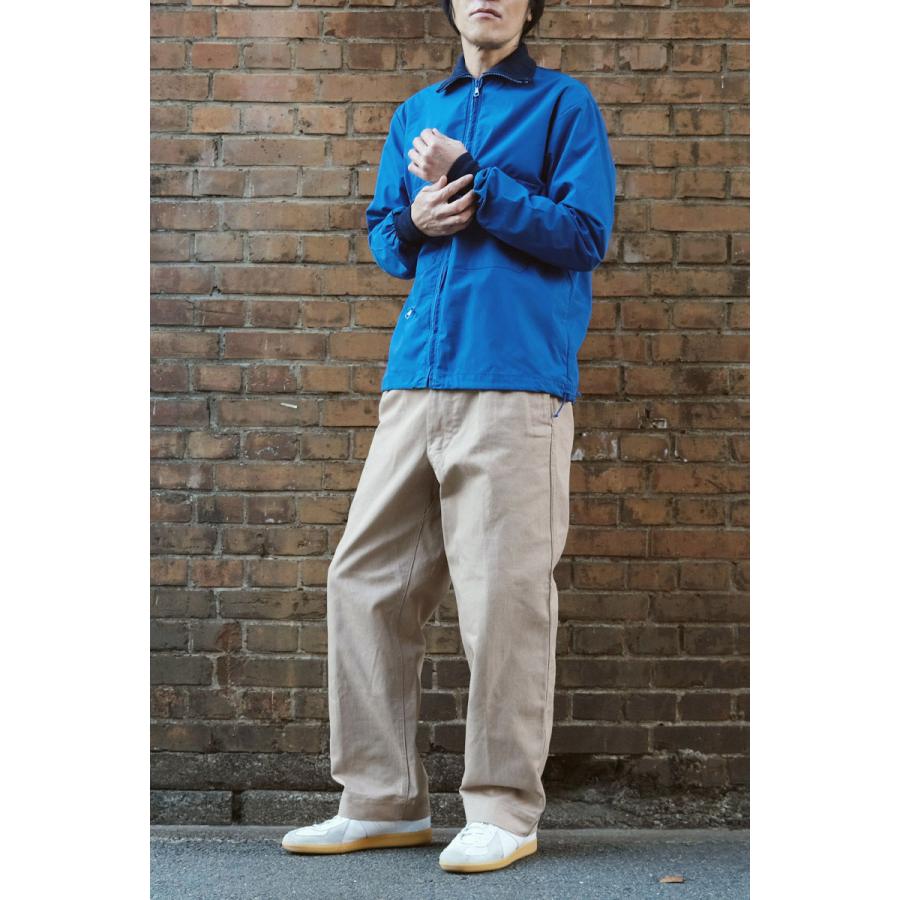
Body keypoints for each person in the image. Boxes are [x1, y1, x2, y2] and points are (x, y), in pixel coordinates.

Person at [281, 0, 616, 874]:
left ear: (530, 7)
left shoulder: (563, 105)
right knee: (364, 580)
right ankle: (380, 802)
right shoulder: (415, 113)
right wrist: (413, 222)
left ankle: (503, 810)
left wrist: (476, 177)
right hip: (415, 379)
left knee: (503, 596)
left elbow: (584, 236)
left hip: (514, 378)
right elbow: (387, 239)